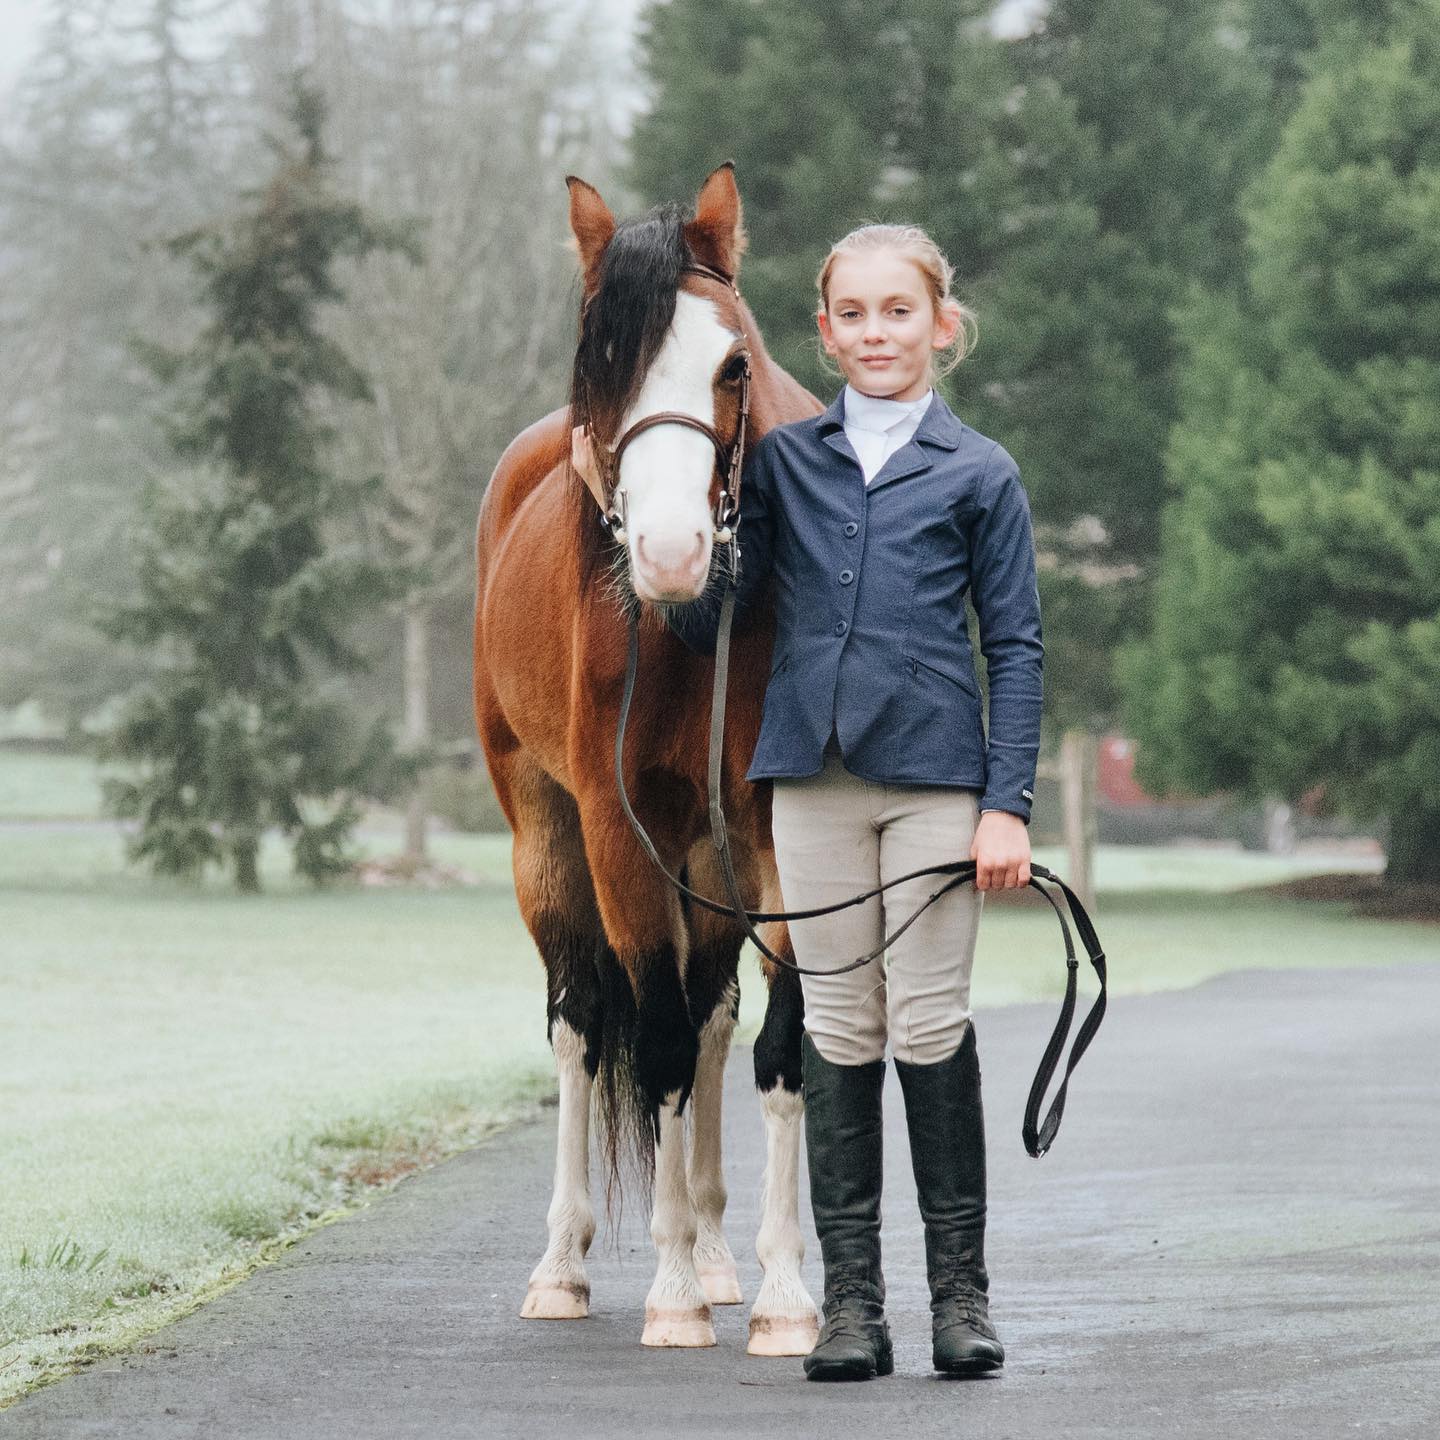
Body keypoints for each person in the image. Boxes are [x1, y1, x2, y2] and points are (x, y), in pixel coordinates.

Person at [579, 222, 1042, 1381]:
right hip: (811, 790)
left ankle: (960, 1300)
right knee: (836, 1031)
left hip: (936, 788)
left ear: (942, 326)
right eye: (854, 315)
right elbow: (720, 615)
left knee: (927, 1026)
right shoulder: (784, 462)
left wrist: (1008, 802)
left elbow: (1016, 647)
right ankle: (850, 1309)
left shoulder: (983, 472)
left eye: (900, 312)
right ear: (824, 333)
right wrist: (628, 526)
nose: (877, 334)